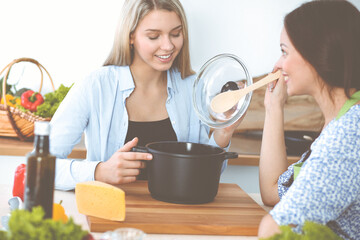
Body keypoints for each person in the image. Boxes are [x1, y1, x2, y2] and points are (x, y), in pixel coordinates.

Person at [50, 0, 242, 191]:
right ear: (130, 36)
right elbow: (39, 165)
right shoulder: (96, 86)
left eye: (175, 34)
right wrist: (99, 171)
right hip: (112, 215)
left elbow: (204, 173)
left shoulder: (192, 87)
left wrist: (224, 132)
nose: (168, 46)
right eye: (153, 36)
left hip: (178, 211)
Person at [257, 1, 360, 239]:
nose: (279, 64)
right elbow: (275, 192)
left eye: (285, 52)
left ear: (317, 54)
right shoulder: (343, 120)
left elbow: (274, 229)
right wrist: (274, 107)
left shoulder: (348, 135)